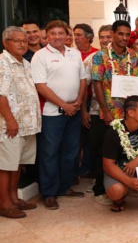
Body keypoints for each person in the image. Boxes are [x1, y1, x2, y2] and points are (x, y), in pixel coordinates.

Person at [32, 20, 87, 210]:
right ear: (46, 36)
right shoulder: (40, 56)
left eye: (60, 33)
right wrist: (64, 105)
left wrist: (78, 101)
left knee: (71, 152)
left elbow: (82, 79)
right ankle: (49, 193)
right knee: (50, 153)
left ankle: (64, 187)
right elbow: (40, 86)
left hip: (74, 111)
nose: (57, 37)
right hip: (52, 114)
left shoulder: (75, 53)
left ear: (67, 35)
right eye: (53, 34)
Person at [91, 21, 138, 201]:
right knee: (103, 150)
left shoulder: (133, 56)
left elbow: (136, 83)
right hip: (107, 112)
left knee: (125, 149)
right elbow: (96, 83)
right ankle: (100, 189)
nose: (124, 38)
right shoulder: (100, 56)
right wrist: (105, 109)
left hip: (127, 114)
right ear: (112, 34)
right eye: (120, 34)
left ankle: (124, 183)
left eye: (127, 35)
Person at [0, 26, 41, 218]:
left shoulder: (24, 63)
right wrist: (9, 119)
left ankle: (14, 199)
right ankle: (4, 204)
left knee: (17, 164)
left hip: (26, 124)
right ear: (5, 43)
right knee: (6, 165)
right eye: (17, 41)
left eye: (24, 41)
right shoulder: (3, 63)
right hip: (10, 126)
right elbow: (0, 95)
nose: (22, 44)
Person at [83, 25, 112, 205]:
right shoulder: (91, 59)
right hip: (96, 111)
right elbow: (84, 85)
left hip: (120, 112)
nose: (105, 40)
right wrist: (83, 111)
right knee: (98, 150)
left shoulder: (125, 58)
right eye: (102, 37)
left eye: (109, 36)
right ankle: (99, 188)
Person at [73, 23, 98, 178]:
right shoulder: (72, 55)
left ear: (89, 37)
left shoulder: (97, 55)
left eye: (79, 35)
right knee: (77, 139)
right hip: (76, 101)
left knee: (91, 138)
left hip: (92, 100)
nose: (75, 38)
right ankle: (76, 171)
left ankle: (89, 169)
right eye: (74, 35)